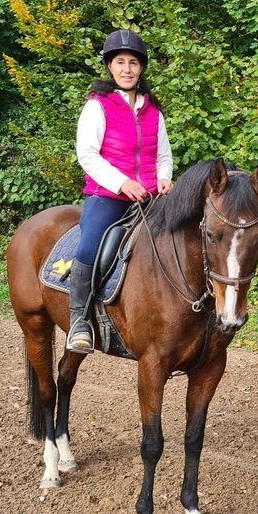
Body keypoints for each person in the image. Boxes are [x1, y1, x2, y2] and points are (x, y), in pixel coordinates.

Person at [67, 29, 174, 353]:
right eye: (120, 62)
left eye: (133, 63)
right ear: (110, 67)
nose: (127, 69)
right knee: (89, 248)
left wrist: (165, 178)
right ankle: (79, 322)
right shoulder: (98, 105)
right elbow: (87, 154)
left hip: (151, 198)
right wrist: (122, 183)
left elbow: (163, 156)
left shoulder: (153, 110)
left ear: (141, 68)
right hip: (108, 196)